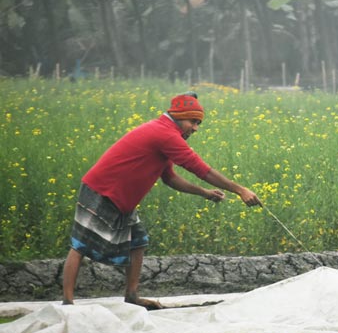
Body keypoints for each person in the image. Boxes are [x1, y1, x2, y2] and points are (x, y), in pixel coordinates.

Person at [62, 92, 263, 309]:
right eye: (193, 122)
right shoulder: (164, 134)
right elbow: (200, 168)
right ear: (178, 116)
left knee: (138, 242)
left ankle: (132, 296)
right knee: (81, 245)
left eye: (198, 124)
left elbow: (169, 178)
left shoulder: (164, 133)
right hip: (103, 190)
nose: (195, 128)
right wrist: (239, 189)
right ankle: (67, 303)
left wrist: (204, 193)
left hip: (123, 199)